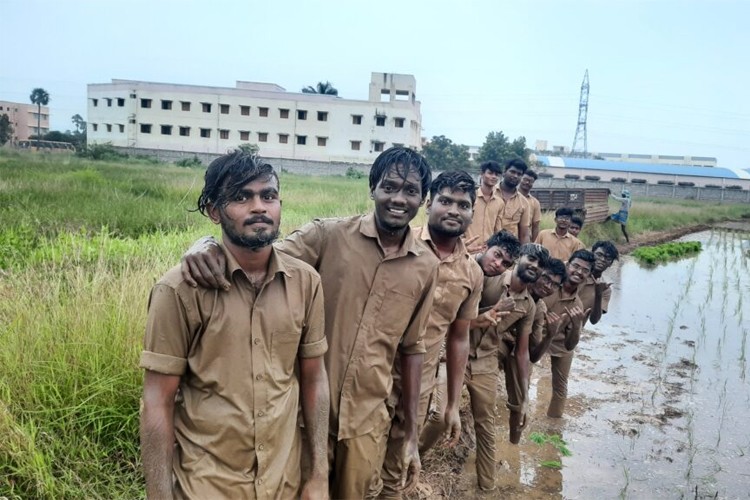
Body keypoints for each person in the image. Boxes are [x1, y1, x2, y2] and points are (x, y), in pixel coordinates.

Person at [180, 147, 439, 499]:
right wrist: (204, 242)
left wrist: (410, 433)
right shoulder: (328, 237)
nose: (398, 198)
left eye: (410, 191)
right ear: (372, 189)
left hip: (367, 421)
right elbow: (258, 252)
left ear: (423, 199)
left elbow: (412, 350)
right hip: (303, 419)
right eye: (389, 186)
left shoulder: (426, 266)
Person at [140, 151, 330, 499]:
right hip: (207, 485)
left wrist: (318, 475)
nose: (259, 207)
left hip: (282, 482)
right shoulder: (179, 290)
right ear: (214, 211)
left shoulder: (306, 283)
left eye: (268, 196)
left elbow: (314, 379)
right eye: (241, 197)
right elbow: (157, 401)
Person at [375, 171, 484, 499]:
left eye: (463, 205)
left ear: (471, 214)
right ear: (428, 204)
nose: (454, 210)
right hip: (373, 372)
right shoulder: (397, 244)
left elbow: (459, 337)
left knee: (395, 469)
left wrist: (451, 403)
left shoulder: (472, 272)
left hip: (419, 386)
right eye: (446, 201)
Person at [419, 230, 521, 455]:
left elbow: (461, 329)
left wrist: (483, 318)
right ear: (485, 246)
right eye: (496, 255)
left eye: (505, 263)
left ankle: (413, 459)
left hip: (449, 351)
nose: (497, 264)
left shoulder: (489, 282)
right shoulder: (459, 266)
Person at [456, 243, 546, 492]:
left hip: (486, 360)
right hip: (457, 353)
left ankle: (487, 489)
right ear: (518, 260)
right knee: (440, 417)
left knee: (485, 425)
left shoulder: (529, 306)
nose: (534, 266)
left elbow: (522, 352)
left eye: (540, 266)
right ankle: (410, 467)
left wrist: (525, 396)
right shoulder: (488, 277)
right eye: (531, 259)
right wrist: (491, 312)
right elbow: (456, 319)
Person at [543, 250, 594, 418]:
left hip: (560, 343)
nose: (579, 272)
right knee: (522, 378)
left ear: (588, 276)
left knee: (560, 386)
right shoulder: (548, 286)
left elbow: (570, 345)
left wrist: (577, 323)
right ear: (567, 265)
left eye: (585, 270)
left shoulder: (577, 305)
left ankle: (553, 427)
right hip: (536, 338)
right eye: (576, 266)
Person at [464, 160, 504, 248]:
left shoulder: (500, 203)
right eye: (490, 173)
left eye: (496, 174)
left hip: (487, 251)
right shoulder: (469, 198)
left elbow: (498, 230)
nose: (494, 177)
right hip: (468, 248)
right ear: (482, 174)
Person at [578, 241, 618, 325]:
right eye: (599, 255)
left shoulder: (605, 289)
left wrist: (598, 293)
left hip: (573, 331)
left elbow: (594, 320)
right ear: (592, 254)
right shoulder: (574, 271)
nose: (602, 260)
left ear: (610, 264)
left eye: (608, 258)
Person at [496, 158, 531, 244]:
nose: (515, 176)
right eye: (512, 172)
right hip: (485, 247)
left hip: (509, 250)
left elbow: (524, 234)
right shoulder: (489, 194)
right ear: (504, 172)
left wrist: (525, 254)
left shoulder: (524, 203)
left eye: (519, 174)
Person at [519, 169, 542, 242]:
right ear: (520, 179)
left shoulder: (535, 203)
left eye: (530, 181)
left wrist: (534, 244)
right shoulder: (510, 197)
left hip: (525, 240)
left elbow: (535, 226)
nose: (527, 182)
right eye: (525, 179)